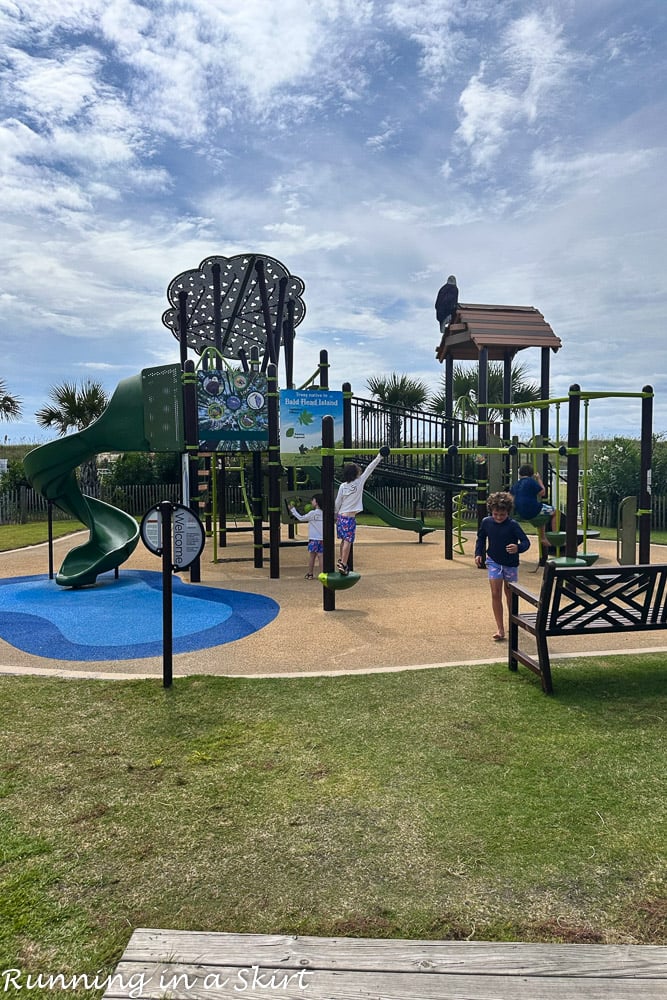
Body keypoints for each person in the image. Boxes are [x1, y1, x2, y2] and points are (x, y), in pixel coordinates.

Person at [474, 491, 530, 641]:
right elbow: (480, 538)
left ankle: (513, 623)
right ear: (491, 511)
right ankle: (500, 628)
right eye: (496, 514)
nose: (499, 517)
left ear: (508, 512)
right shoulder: (486, 522)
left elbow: (526, 542)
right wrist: (478, 553)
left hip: (510, 564)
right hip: (493, 561)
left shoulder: (513, 525)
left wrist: (518, 548)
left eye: (502, 515)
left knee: (509, 594)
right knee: (495, 593)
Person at [335, 446, 390, 575]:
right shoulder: (359, 482)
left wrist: (336, 514)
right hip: (349, 517)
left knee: (343, 540)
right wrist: (380, 456)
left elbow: (338, 502)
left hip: (341, 516)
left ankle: (340, 560)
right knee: (348, 540)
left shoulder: (343, 486)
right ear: (356, 474)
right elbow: (370, 468)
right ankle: (343, 563)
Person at [510, 463, 557, 547]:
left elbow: (512, 498)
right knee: (554, 512)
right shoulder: (531, 481)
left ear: (520, 474)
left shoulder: (516, 484)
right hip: (533, 509)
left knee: (540, 518)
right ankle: (555, 535)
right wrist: (539, 479)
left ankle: (543, 538)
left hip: (520, 513)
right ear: (531, 474)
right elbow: (542, 493)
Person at [289, 494, 324, 579]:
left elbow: (301, 518)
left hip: (313, 539)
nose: (311, 502)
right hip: (323, 539)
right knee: (321, 556)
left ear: (316, 502)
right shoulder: (325, 513)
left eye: (313, 500)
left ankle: (310, 574)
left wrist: (293, 509)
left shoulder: (312, 513)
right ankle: (323, 574)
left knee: (312, 557)